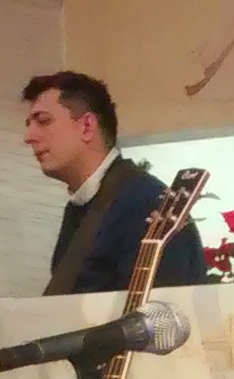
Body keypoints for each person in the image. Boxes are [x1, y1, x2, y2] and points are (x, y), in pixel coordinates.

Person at [21, 71, 207, 297]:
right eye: (29, 124)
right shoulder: (80, 206)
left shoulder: (148, 203)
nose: (29, 136)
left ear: (87, 126)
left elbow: (164, 310)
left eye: (43, 121)